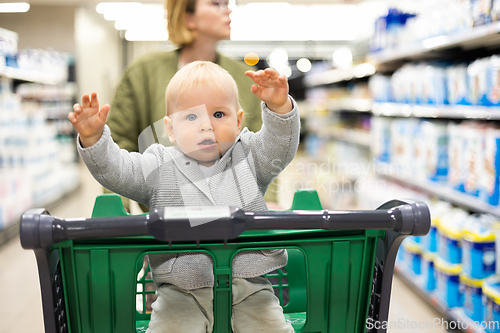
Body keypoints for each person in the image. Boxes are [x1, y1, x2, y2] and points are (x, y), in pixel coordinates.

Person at [68, 61, 299, 333]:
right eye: (191, 117)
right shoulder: (158, 165)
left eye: (218, 114)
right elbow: (119, 171)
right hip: (178, 291)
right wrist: (95, 139)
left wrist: (279, 108)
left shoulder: (250, 156)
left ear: (237, 122)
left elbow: (279, 148)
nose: (206, 126)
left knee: (271, 328)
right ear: (171, 128)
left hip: (250, 285)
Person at [106, 0, 281, 209]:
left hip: (235, 218)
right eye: (216, 4)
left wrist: (268, 199)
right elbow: (119, 142)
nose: (228, 10)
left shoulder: (244, 78)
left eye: (227, 3)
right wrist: (116, 209)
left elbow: (261, 146)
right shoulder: (142, 73)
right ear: (188, 17)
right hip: (167, 219)